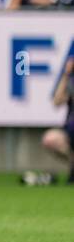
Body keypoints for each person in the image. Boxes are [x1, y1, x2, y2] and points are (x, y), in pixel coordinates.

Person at [41, 54, 74, 184]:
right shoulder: (71, 82)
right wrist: (66, 74)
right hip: (70, 132)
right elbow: (57, 101)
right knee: (50, 139)